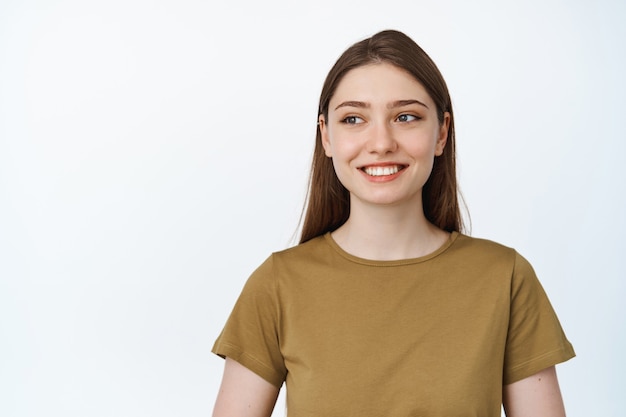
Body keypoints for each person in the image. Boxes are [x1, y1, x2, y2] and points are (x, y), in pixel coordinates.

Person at [211, 29, 575, 417]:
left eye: (406, 117)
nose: (381, 142)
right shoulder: (276, 285)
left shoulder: (505, 278)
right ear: (326, 137)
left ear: (442, 133)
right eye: (353, 118)